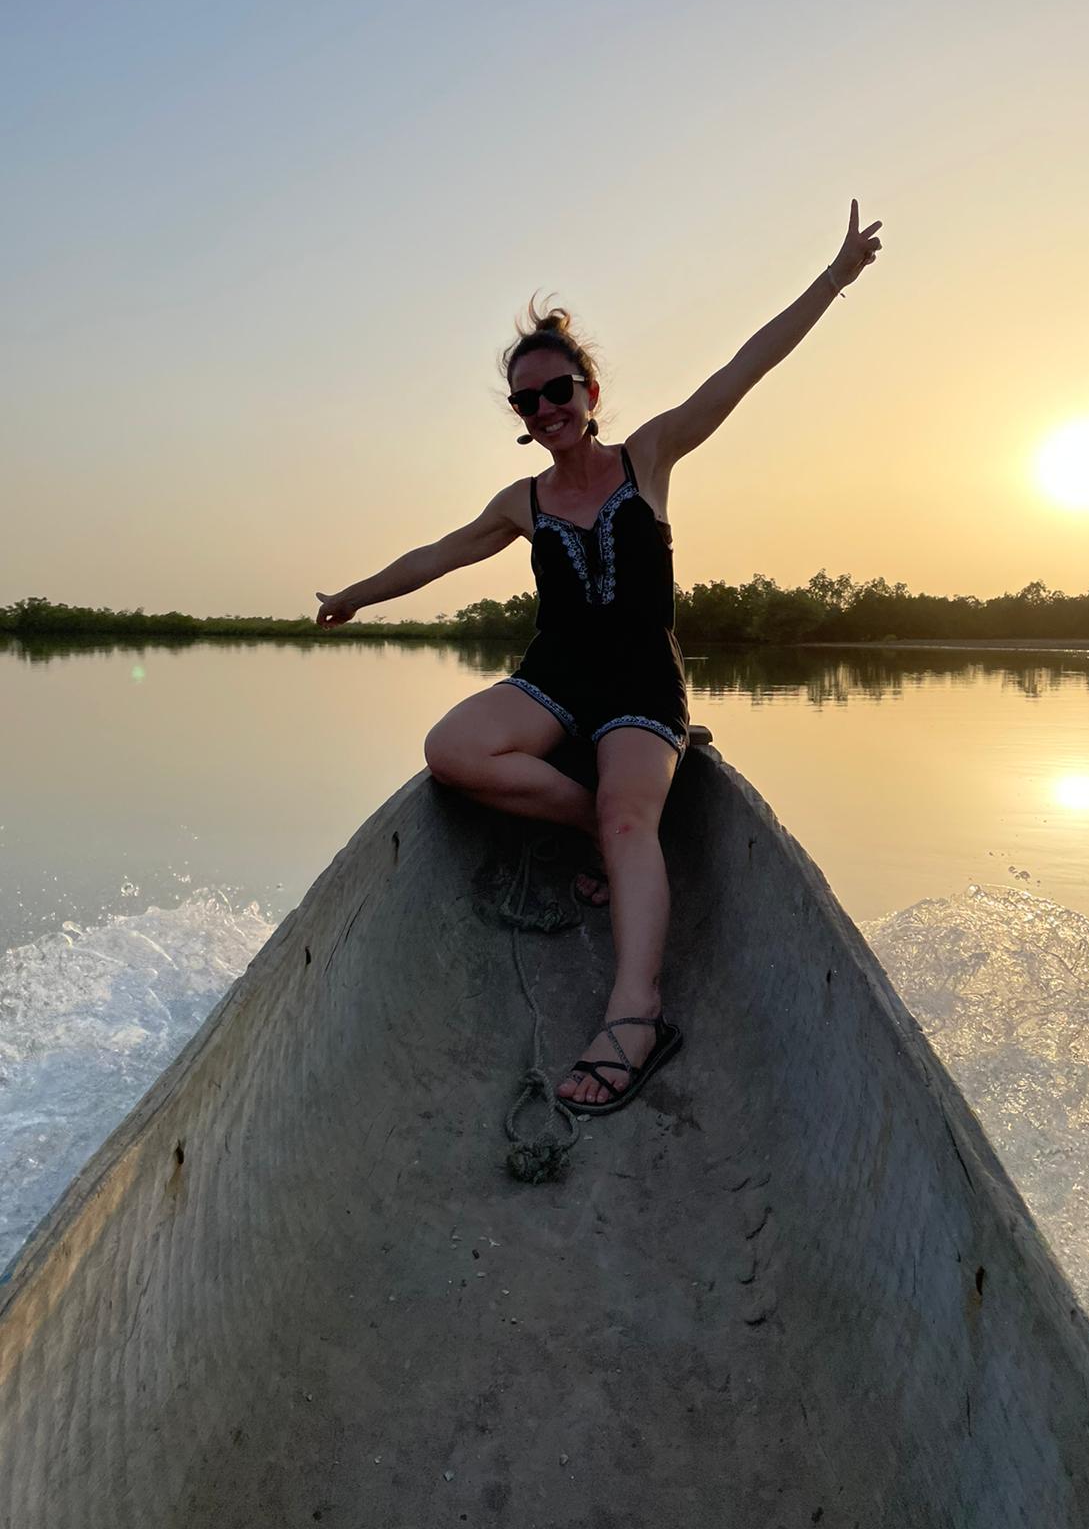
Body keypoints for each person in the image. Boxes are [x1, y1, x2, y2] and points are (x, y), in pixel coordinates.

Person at [316, 200, 883, 1114]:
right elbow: (439, 555)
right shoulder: (523, 501)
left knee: (631, 818)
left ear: (589, 393)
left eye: (558, 392)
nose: (545, 410)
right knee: (452, 751)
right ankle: (593, 826)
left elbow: (744, 369)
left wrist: (834, 277)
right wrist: (354, 594)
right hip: (556, 675)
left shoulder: (647, 457)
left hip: (640, 680)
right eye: (526, 401)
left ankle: (636, 1012)